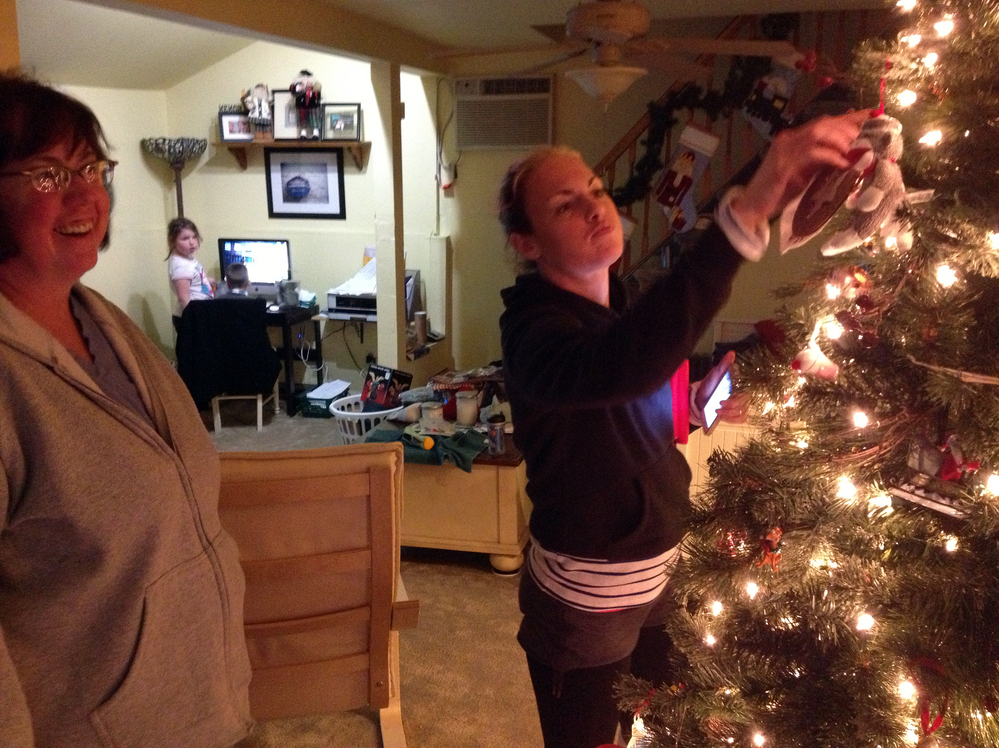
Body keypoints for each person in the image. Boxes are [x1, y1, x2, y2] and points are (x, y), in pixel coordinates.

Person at [497, 110, 871, 748]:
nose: (594, 208)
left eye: (595, 190)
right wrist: (745, 217)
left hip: (660, 574)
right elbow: (620, 367)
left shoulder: (623, 304)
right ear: (528, 244)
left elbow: (634, 391)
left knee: (667, 722)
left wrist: (692, 402)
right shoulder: (533, 334)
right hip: (588, 599)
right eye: (565, 205)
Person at [0, 71, 251, 746]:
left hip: (209, 704)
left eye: (90, 165)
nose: (87, 192)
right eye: (49, 174)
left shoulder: (100, 317)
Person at [167, 215, 214, 329]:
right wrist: (197, 320)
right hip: (191, 317)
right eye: (185, 238)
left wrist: (206, 280)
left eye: (194, 237)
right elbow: (183, 298)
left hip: (200, 311)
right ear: (173, 242)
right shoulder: (181, 266)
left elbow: (192, 278)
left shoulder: (187, 258)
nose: (192, 242)